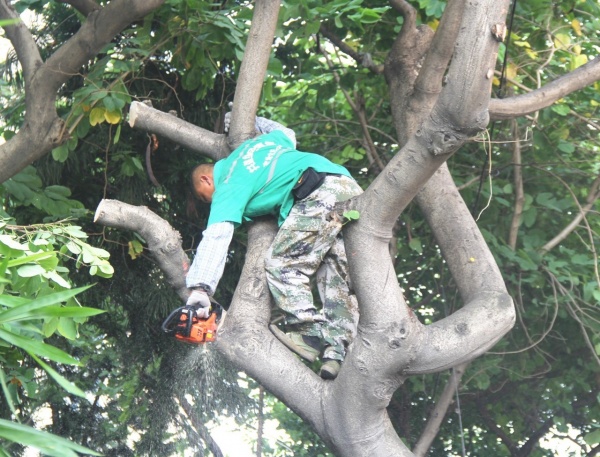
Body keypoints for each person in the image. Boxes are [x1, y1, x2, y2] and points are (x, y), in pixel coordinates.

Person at [185, 116, 361, 379]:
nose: (209, 203)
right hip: (346, 186)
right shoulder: (259, 146)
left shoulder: (228, 183)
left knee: (283, 264)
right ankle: (336, 352)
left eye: (203, 198)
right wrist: (253, 119)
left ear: (206, 180)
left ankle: (308, 333)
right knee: (333, 274)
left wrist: (200, 288)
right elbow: (286, 131)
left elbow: (217, 236)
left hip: (317, 195)